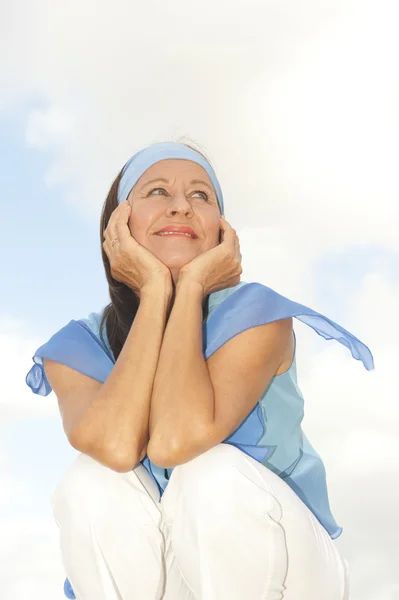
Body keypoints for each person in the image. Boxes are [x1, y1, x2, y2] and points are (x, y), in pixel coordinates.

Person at [26, 141, 373, 600]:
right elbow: (112, 447)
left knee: (210, 475)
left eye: (200, 196)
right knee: (90, 480)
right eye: (155, 191)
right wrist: (154, 292)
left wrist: (188, 289)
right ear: (118, 224)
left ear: (220, 231)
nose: (179, 207)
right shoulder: (77, 344)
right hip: (163, 571)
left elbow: (176, 441)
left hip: (286, 570)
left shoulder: (257, 315)